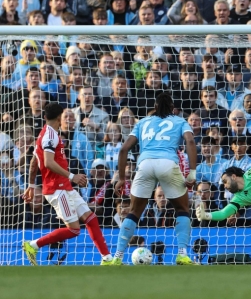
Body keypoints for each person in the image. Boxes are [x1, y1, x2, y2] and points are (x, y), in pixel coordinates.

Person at [103, 92, 197, 266]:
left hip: (144, 165)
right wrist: (192, 172)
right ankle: (182, 254)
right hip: (168, 164)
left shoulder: (143, 122)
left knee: (134, 212)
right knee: (182, 209)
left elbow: (123, 149)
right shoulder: (179, 121)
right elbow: (190, 142)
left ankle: (116, 257)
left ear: (154, 107)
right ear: (173, 109)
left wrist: (122, 178)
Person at [22, 102, 113, 266]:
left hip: (65, 187)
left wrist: (30, 183)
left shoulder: (45, 133)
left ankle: (107, 258)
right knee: (74, 229)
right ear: (59, 118)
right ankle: (33, 245)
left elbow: (34, 161)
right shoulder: (50, 136)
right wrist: (72, 176)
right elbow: (48, 162)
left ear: (44, 117)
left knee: (90, 218)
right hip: (57, 190)